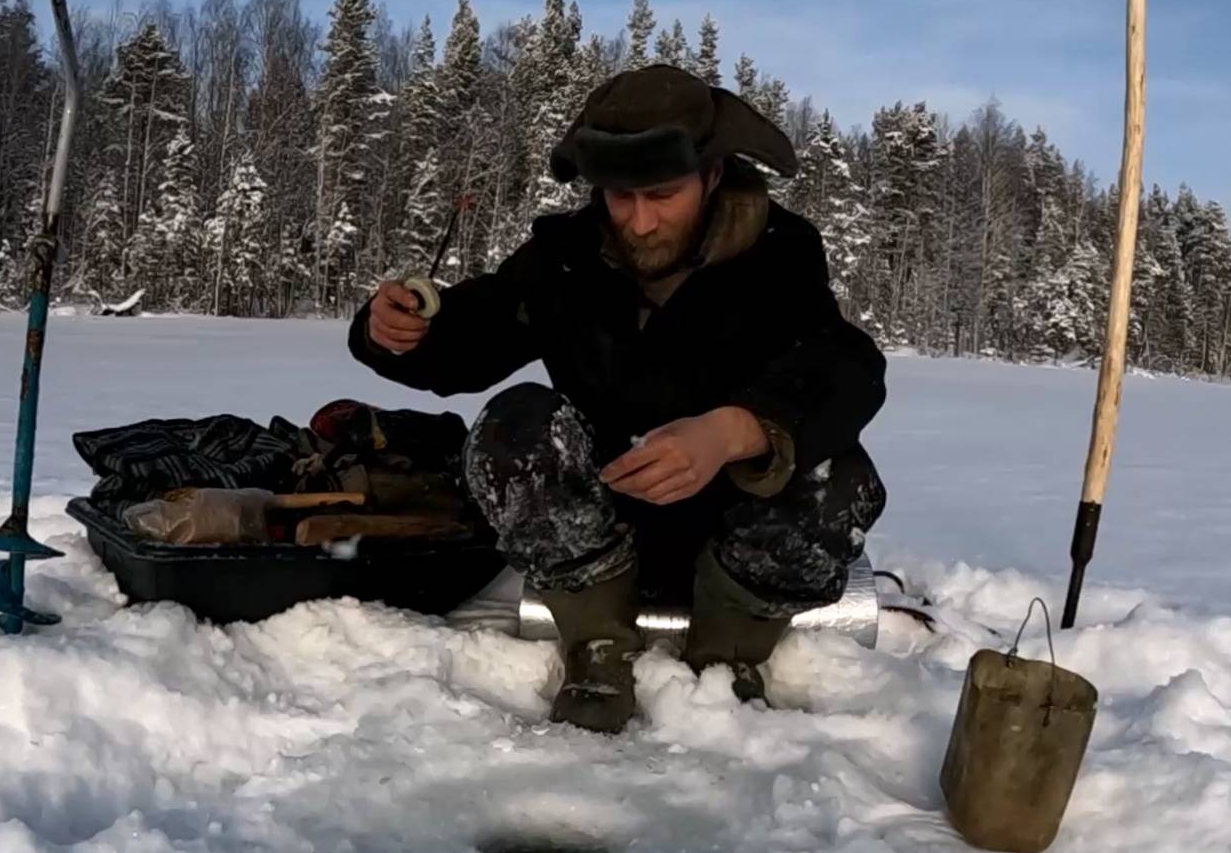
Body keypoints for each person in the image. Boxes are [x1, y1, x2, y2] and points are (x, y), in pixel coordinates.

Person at [349, 64, 887, 734]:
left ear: (712, 174)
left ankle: (727, 655)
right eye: (619, 197)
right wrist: (395, 331)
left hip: (732, 518)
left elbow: (845, 367)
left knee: (842, 477)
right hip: (600, 523)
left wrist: (733, 431)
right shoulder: (565, 257)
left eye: (662, 195)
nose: (640, 220)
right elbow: (471, 339)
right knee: (515, 424)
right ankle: (597, 644)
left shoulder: (778, 253)